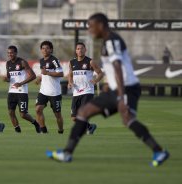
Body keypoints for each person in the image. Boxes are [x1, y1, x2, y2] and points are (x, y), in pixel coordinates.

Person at [46, 13, 169, 167]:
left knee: (128, 119)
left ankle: (159, 150)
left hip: (127, 89)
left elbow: (117, 66)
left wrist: (121, 95)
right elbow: (114, 68)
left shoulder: (112, 41)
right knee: (83, 113)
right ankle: (67, 153)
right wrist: (109, 85)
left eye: (91, 26)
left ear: (101, 25)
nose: (90, 30)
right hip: (116, 88)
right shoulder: (107, 42)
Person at [68, 42, 103, 134]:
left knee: (83, 114)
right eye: (78, 49)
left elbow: (100, 73)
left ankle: (83, 130)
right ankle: (90, 127)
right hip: (76, 92)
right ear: (76, 51)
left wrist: (95, 81)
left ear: (85, 50)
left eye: (81, 48)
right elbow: (70, 75)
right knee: (74, 118)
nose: (80, 50)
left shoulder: (90, 61)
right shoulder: (72, 62)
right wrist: (70, 82)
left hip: (87, 91)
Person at [3, 45, 40, 133]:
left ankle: (35, 123)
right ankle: (17, 130)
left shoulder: (22, 62)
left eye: (11, 53)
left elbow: (33, 76)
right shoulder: (8, 63)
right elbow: (9, 78)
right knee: (11, 112)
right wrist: (6, 79)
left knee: (23, 114)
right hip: (11, 91)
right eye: (8, 53)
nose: (10, 54)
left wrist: (21, 83)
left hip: (22, 92)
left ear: (16, 53)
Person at [35, 41, 64, 134]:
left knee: (57, 115)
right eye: (43, 48)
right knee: (38, 109)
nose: (44, 50)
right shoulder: (41, 60)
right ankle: (44, 131)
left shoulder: (54, 60)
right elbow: (44, 73)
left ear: (51, 50)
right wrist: (39, 78)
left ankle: (60, 131)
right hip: (43, 91)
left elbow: (61, 73)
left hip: (54, 92)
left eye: (47, 48)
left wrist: (47, 73)